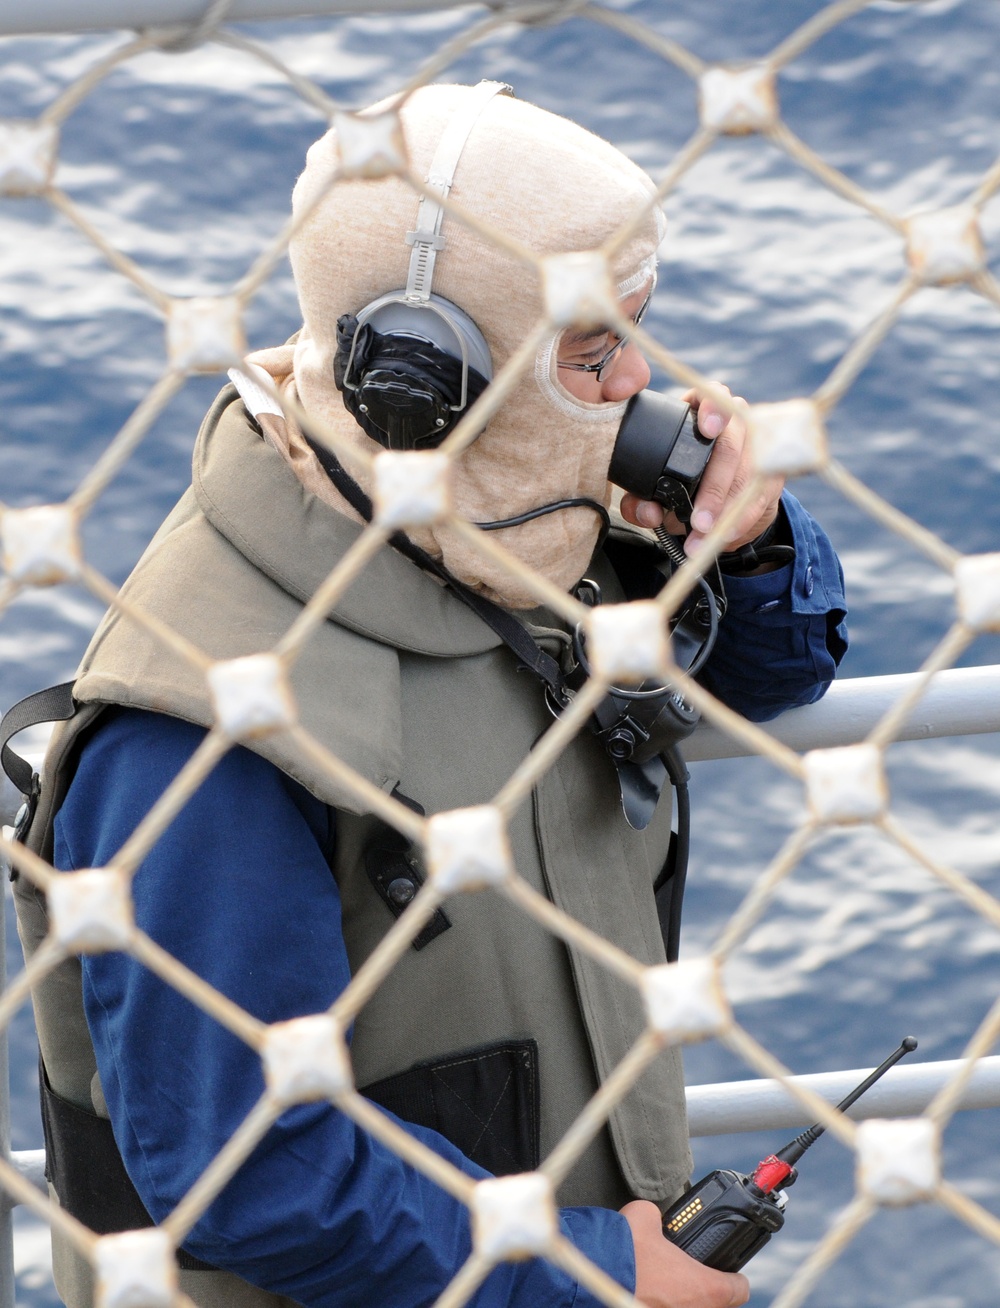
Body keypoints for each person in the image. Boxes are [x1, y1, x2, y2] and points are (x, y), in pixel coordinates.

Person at [12, 83, 847, 1308]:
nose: (639, 388)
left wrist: (750, 537)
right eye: (593, 351)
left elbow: (773, 673)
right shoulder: (202, 732)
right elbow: (242, 1174)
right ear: (430, 378)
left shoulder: (528, 524)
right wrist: (599, 1273)